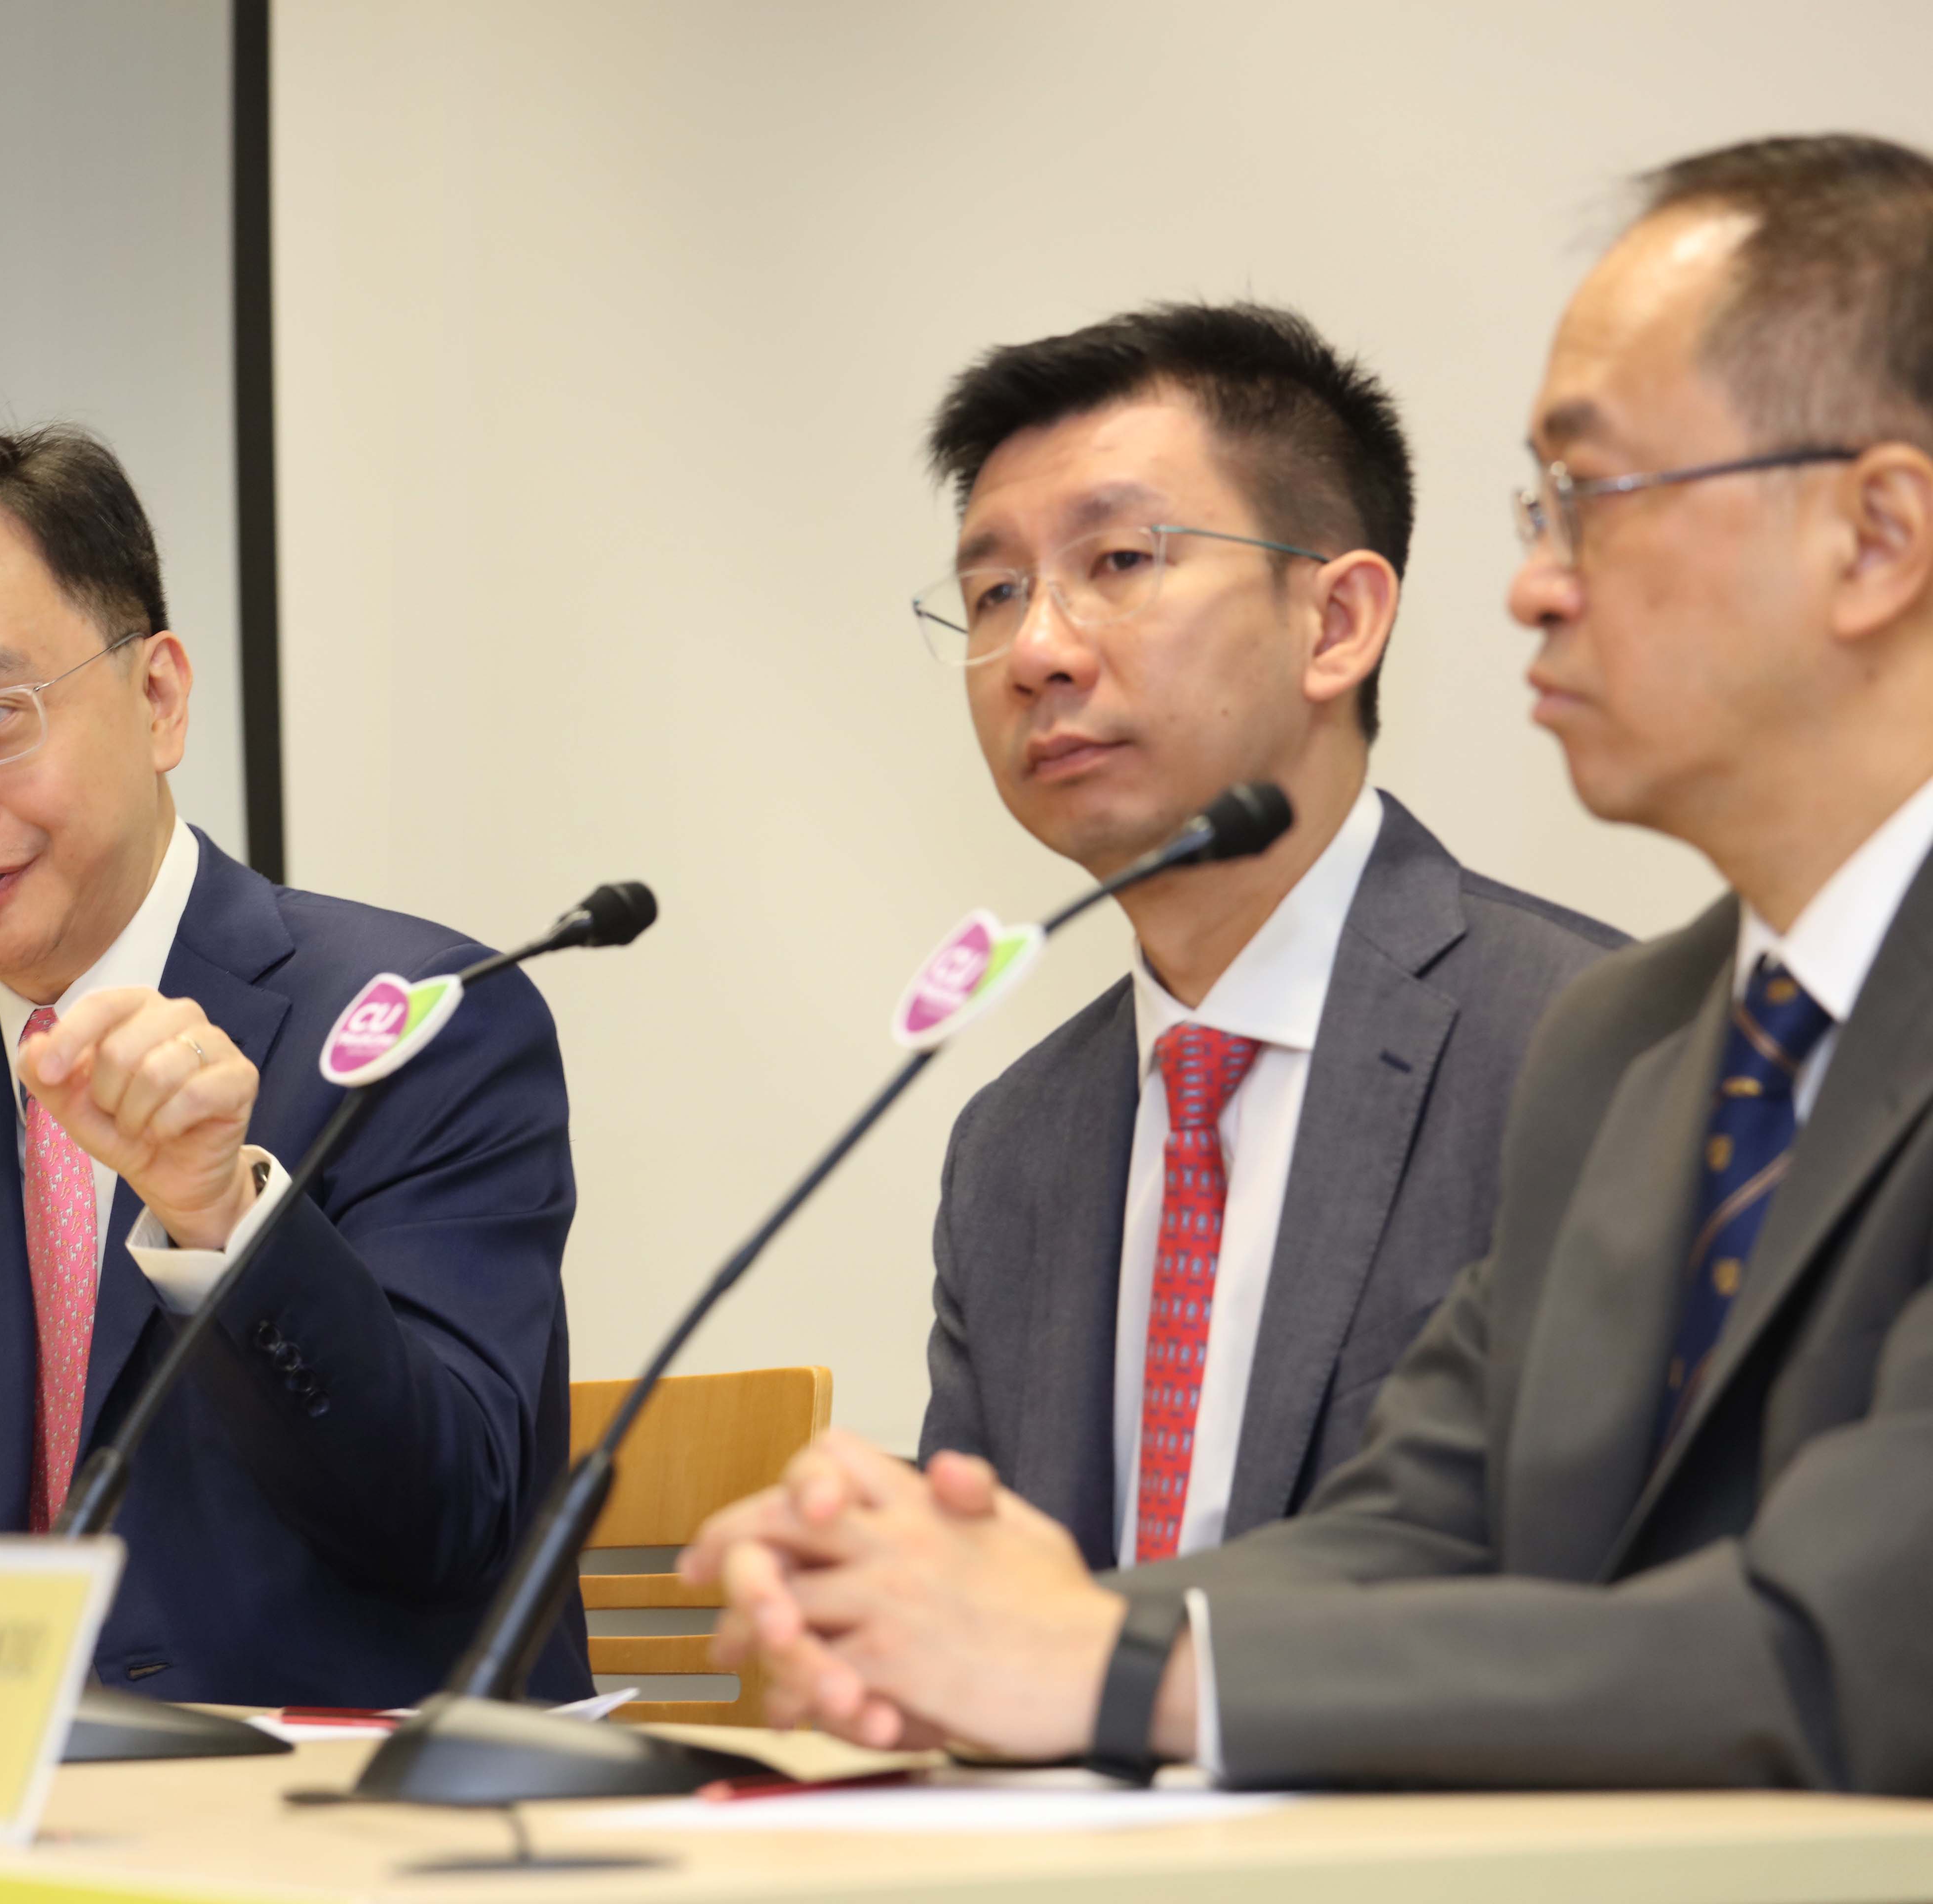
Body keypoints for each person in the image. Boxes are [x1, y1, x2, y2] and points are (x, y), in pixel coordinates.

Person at [685, 133, 1933, 1794]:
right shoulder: (1641, 1045)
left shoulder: (1547, 1014)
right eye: (993, 592)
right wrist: (954, 1628)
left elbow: (1843, 1651)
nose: (1534, 586)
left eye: (1596, 499)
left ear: (1877, 535)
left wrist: (1096, 1660)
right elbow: (1414, 1532)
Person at [0, 423, 588, 1709]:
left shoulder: (416, 1022)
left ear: (157, 698)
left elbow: (452, 1519)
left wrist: (223, 1215)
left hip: (351, 1834)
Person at [914, 302, 1620, 1568]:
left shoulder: (1599, 1050)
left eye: (1119, 561)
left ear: (1336, 621)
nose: (1036, 651)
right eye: (993, 591)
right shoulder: (1011, 1149)